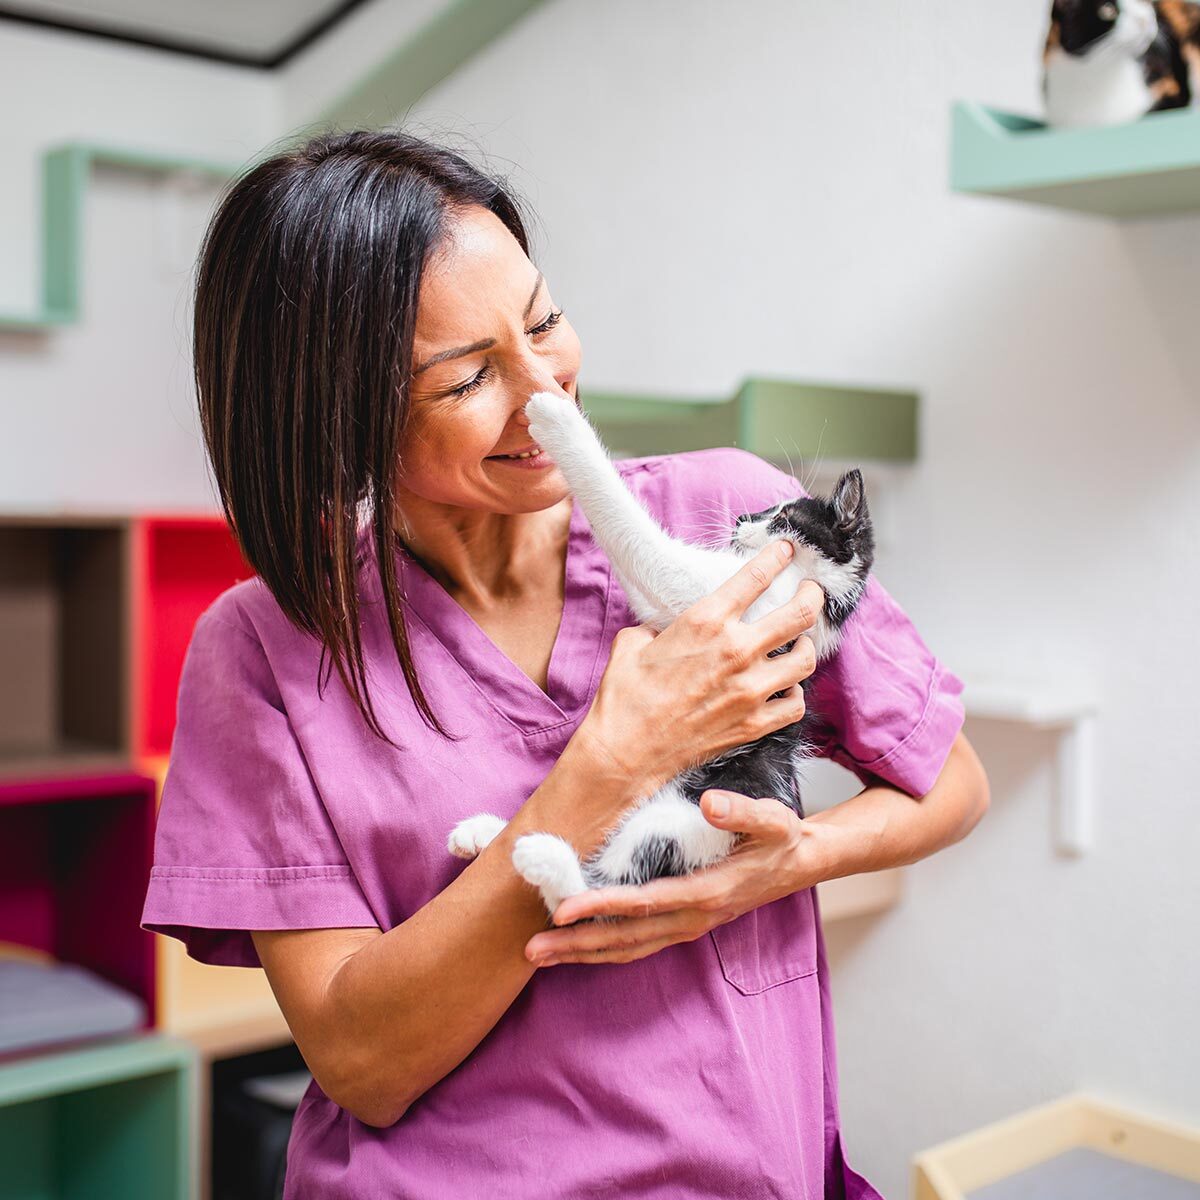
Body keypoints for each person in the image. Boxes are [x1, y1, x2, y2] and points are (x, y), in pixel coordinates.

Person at [141, 129, 989, 1199]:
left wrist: (781, 868)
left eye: (543, 322)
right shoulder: (266, 647)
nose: (548, 394)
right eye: (468, 381)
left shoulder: (730, 520)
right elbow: (362, 1063)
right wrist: (611, 764)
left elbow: (950, 781)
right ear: (338, 417)